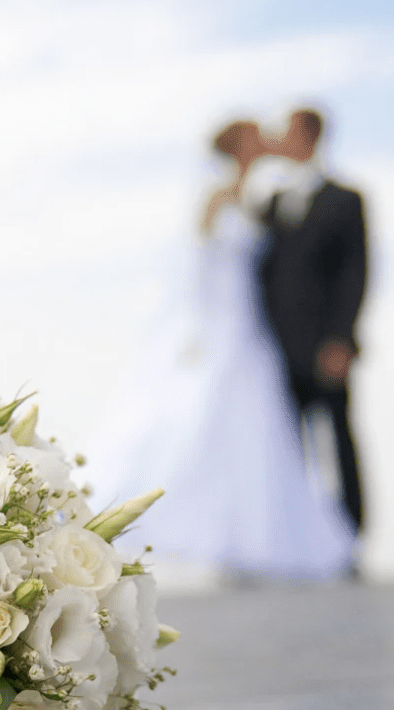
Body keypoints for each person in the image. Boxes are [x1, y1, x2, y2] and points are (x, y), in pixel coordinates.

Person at [86, 119, 353, 580]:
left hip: (254, 331)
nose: (265, 140)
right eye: (255, 136)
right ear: (236, 146)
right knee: (209, 428)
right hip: (221, 329)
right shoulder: (216, 196)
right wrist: (198, 331)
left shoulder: (259, 199)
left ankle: (251, 541)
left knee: (258, 438)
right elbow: (194, 267)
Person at [255, 107, 369, 536]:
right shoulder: (270, 204)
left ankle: (350, 536)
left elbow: (355, 273)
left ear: (309, 135)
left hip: (326, 346)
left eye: (284, 131)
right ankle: (296, 539)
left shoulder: (346, 200)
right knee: (285, 448)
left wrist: (342, 338)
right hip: (274, 348)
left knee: (339, 441)